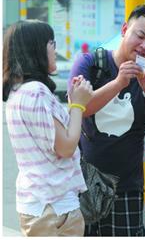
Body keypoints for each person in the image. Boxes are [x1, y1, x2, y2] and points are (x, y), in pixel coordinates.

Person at [68, 4, 145, 236]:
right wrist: (118, 83)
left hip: (126, 187)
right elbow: (79, 109)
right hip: (79, 184)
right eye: (140, 35)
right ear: (125, 29)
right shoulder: (90, 64)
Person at [3, 20, 93, 236]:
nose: (55, 49)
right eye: (52, 43)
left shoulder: (19, 91)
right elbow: (65, 147)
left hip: (38, 203)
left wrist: (73, 102)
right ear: (37, 48)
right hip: (54, 206)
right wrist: (79, 104)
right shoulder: (37, 92)